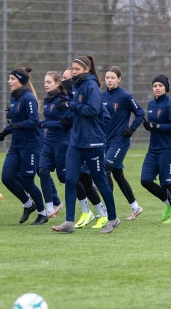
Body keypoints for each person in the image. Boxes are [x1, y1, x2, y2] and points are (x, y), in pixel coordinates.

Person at [52, 56, 119, 234]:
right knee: (70, 179)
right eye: (72, 68)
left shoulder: (91, 86)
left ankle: (112, 218)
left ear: (87, 70)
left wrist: (70, 105)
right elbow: (79, 110)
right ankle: (69, 222)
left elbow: (93, 110)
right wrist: (69, 117)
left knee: (100, 181)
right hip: (76, 142)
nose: (73, 71)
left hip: (93, 143)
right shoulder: (76, 85)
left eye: (77, 69)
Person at [61, 67, 110, 230]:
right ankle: (93, 213)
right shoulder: (69, 97)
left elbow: (104, 117)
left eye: (66, 78)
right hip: (75, 145)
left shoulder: (89, 92)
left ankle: (102, 214)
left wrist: (94, 135)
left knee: (80, 180)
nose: (64, 81)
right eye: (63, 79)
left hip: (90, 144)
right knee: (79, 181)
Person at [0, 67, 48, 225]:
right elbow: (16, 122)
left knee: (28, 180)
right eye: (9, 78)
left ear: (21, 80)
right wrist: (6, 130)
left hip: (31, 144)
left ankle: (42, 213)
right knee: (6, 177)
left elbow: (34, 120)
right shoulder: (14, 98)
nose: (9, 81)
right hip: (16, 144)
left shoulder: (28, 97)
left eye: (12, 79)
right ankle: (28, 204)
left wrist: (17, 125)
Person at [102, 65, 145, 221]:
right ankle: (135, 207)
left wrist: (131, 129)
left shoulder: (125, 96)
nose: (110, 80)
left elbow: (140, 113)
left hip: (120, 142)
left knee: (105, 169)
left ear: (119, 79)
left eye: (113, 78)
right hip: (106, 142)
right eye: (107, 77)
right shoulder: (101, 97)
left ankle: (108, 209)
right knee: (118, 175)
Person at [140, 75, 171, 224]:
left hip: (168, 150)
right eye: (154, 85)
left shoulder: (169, 105)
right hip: (153, 150)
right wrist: (149, 126)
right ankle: (168, 205)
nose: (157, 88)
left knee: (166, 184)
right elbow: (152, 125)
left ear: (165, 87)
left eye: (160, 85)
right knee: (145, 180)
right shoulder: (151, 104)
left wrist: (156, 126)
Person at [38, 70, 68, 218]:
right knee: (42, 171)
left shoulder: (63, 100)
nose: (45, 84)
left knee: (63, 177)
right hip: (48, 141)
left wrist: (45, 124)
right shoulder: (47, 100)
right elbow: (50, 121)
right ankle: (50, 207)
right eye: (44, 82)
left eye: (49, 82)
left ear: (57, 83)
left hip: (62, 141)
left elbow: (65, 123)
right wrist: (42, 123)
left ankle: (89, 186)